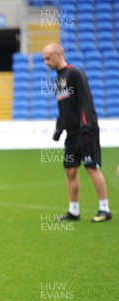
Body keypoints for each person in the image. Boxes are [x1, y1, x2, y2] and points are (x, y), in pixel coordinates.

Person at [43, 43, 112, 222]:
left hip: (86, 130)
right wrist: (59, 129)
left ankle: (104, 209)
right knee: (70, 170)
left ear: (59, 54)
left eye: (48, 57)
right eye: (44, 58)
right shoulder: (58, 80)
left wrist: (85, 125)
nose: (46, 62)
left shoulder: (75, 73)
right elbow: (63, 108)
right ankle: (74, 211)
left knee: (91, 167)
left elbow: (86, 100)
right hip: (71, 134)